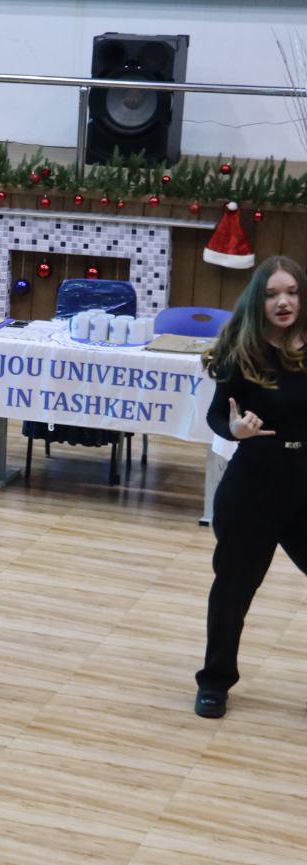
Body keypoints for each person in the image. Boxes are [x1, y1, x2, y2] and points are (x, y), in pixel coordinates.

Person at [195, 255, 307, 719]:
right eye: (272, 294)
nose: (283, 302)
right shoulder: (242, 352)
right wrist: (235, 429)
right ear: (258, 300)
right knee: (233, 588)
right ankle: (214, 682)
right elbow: (216, 415)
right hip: (254, 483)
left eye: (292, 292)